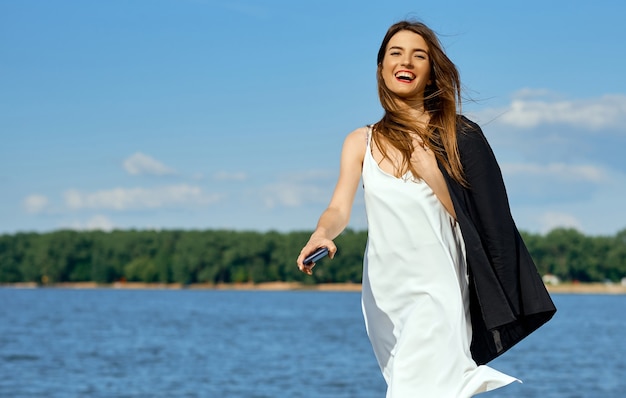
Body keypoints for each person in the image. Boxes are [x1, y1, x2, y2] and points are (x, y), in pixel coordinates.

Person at [296, 20, 556, 397]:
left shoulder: (457, 136)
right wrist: (322, 233)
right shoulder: (360, 141)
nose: (406, 61)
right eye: (395, 53)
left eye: (419, 55)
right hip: (384, 292)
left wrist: (433, 174)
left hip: (438, 285)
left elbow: (483, 222)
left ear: (432, 72)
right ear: (382, 67)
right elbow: (338, 207)